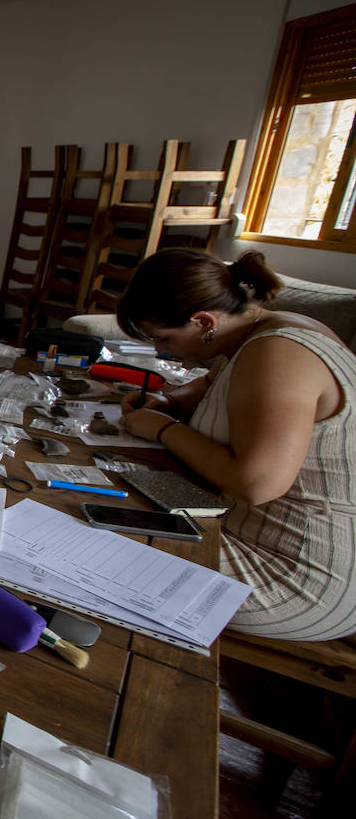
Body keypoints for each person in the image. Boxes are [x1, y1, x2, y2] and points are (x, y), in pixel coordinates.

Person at [116, 249, 356, 642]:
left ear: (204, 322)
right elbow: (215, 385)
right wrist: (168, 402)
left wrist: (162, 429)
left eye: (164, 338)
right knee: (114, 506)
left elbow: (257, 482)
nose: (162, 352)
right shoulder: (259, 333)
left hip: (295, 572)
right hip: (251, 530)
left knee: (99, 547)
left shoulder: (279, 352)